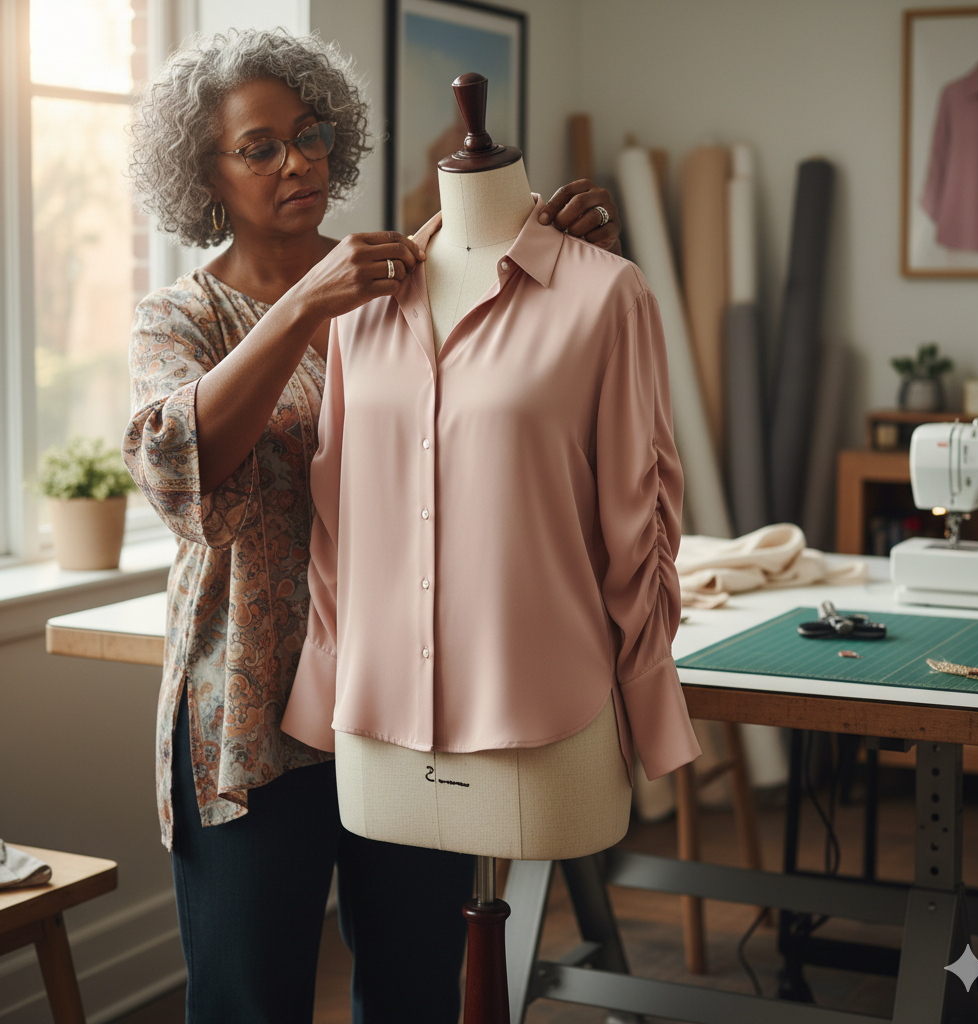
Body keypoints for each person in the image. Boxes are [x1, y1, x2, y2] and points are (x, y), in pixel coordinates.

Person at [122, 27, 623, 1024]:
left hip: (405, 692)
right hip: (247, 715)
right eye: (258, 147)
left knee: (413, 986)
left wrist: (556, 275)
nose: (297, 161)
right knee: (247, 1001)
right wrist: (306, 303)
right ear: (204, 172)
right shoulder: (178, 318)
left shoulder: (415, 285)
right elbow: (178, 466)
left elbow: (515, 421)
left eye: (308, 136)